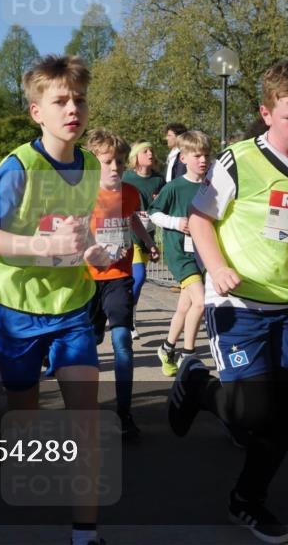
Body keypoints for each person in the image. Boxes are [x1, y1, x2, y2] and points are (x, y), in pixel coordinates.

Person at [171, 57, 288, 544]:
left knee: (284, 419)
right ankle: (198, 385)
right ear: (266, 113)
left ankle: (247, 500)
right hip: (239, 305)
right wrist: (217, 267)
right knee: (250, 416)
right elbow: (202, 219)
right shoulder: (237, 159)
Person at [0, 54, 110, 545]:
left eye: (79, 100)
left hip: (71, 308)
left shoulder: (90, 163)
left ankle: (85, 534)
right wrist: (42, 247)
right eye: (60, 100)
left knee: (86, 422)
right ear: (37, 111)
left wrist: (93, 248)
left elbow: (81, 232)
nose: (73, 108)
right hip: (15, 310)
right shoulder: (18, 167)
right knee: (26, 417)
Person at [85, 129, 158, 441]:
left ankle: (124, 413)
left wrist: (147, 240)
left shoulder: (129, 193)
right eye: (107, 162)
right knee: (87, 345)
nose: (115, 167)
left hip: (118, 278)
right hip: (86, 281)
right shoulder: (82, 193)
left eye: (118, 162)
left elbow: (133, 219)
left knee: (122, 344)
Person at [150, 130, 212, 376]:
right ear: (183, 158)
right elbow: (153, 212)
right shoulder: (174, 187)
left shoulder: (212, 187)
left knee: (184, 307)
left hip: (203, 252)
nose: (203, 160)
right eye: (197, 155)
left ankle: (166, 348)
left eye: (206, 155)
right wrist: (176, 223)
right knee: (200, 301)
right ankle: (189, 354)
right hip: (180, 253)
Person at [122, 141, 165, 339]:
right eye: (145, 151)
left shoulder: (158, 180)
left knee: (135, 281)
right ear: (135, 157)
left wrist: (159, 202)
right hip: (129, 233)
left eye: (151, 150)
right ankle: (127, 320)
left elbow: (164, 206)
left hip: (148, 234)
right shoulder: (127, 178)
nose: (150, 154)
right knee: (138, 278)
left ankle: (129, 315)